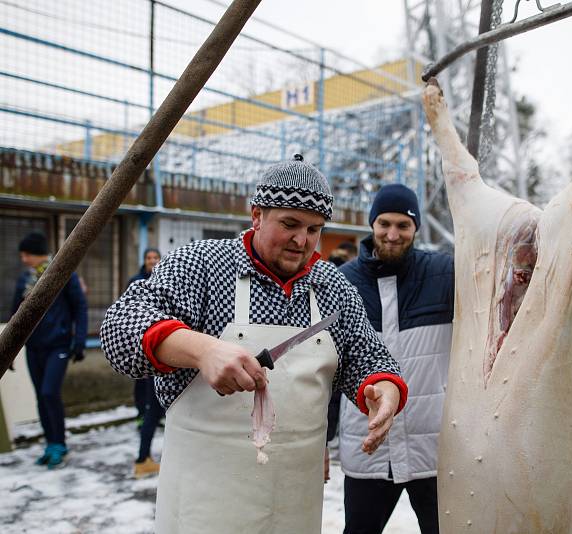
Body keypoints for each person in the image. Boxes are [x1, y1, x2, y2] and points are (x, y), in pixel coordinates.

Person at [100, 154, 408, 533]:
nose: (302, 241)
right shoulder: (202, 265)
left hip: (295, 502)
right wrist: (203, 349)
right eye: (290, 224)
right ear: (257, 215)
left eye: (314, 229)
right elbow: (120, 326)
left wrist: (385, 387)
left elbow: (365, 352)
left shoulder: (333, 286)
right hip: (205, 504)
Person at [338, 183, 454, 534]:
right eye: (384, 223)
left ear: (415, 228)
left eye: (403, 225)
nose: (392, 234)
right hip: (367, 447)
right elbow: (328, 370)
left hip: (432, 448)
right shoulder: (343, 282)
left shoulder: (445, 274)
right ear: (371, 224)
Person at [12, 231, 88, 469]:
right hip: (33, 347)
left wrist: (80, 341)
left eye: (26, 254)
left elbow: (80, 307)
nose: (23, 259)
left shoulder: (63, 274)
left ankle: (60, 444)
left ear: (36, 253)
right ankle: (50, 443)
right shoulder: (25, 281)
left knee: (49, 393)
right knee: (40, 398)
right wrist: (10, 348)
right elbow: (15, 316)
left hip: (58, 345)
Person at [126, 247, 163, 478]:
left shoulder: (164, 280)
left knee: (157, 410)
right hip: (152, 354)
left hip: (161, 353)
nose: (152, 261)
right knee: (153, 409)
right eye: (149, 258)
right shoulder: (138, 283)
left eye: (155, 257)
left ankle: (144, 458)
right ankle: (142, 459)